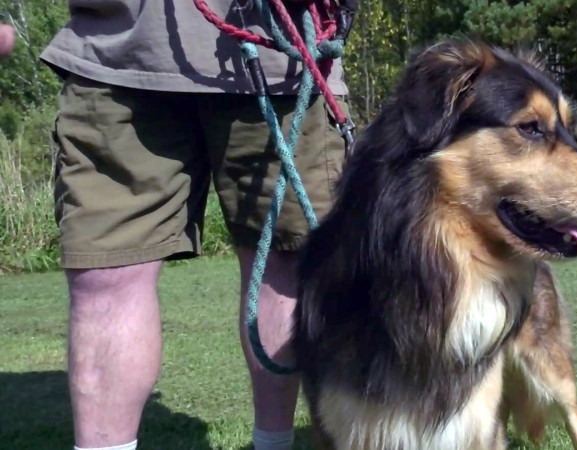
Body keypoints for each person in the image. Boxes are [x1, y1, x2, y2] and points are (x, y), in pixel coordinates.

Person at [38, 1, 351, 449]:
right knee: (103, 274)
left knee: (288, 269)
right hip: (118, 50)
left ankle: (275, 445)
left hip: (283, 51)